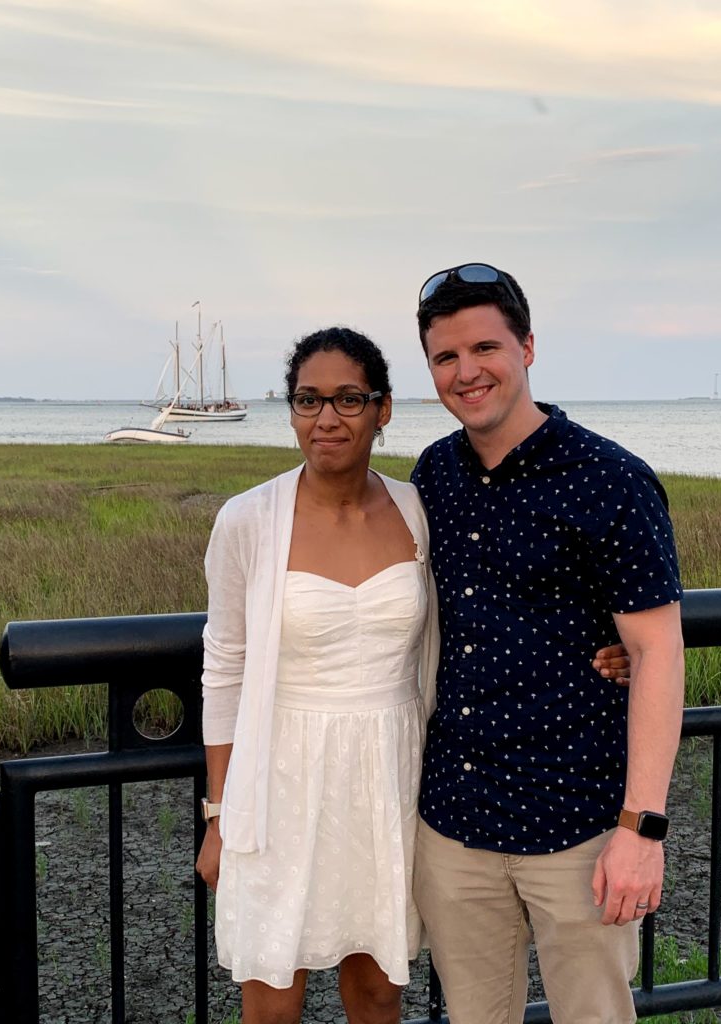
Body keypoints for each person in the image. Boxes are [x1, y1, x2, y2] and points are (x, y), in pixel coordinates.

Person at [409, 264, 686, 1024]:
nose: (466, 372)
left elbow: (657, 652)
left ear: (527, 347)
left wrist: (642, 829)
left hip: (578, 825)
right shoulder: (434, 475)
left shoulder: (610, 479)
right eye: (444, 356)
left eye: (485, 348)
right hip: (454, 822)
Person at [194, 326, 439, 1024]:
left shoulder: (417, 511)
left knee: (378, 990)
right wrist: (219, 816)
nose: (326, 418)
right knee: (273, 996)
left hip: (389, 774)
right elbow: (225, 669)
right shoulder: (247, 520)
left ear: (382, 409)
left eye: (347, 399)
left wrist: (604, 646)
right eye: (308, 400)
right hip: (280, 776)